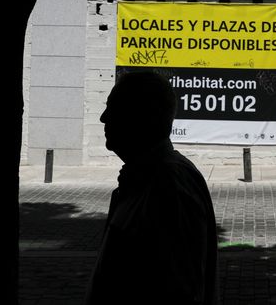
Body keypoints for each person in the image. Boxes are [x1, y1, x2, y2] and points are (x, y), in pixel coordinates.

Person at [85, 71, 219, 305]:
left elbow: (179, 289)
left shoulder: (170, 184)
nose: (103, 118)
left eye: (114, 108)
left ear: (147, 116)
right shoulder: (142, 178)